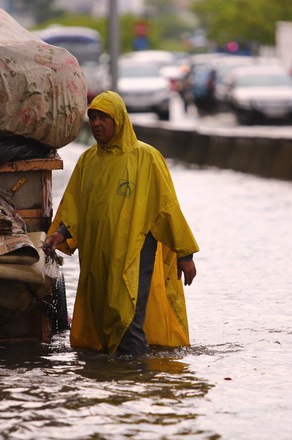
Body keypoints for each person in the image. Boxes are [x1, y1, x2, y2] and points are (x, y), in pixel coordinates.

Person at [43, 91, 199, 355]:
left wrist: (185, 254)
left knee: (126, 315)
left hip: (133, 252)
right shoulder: (88, 160)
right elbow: (75, 206)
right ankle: (111, 379)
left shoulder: (145, 158)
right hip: (96, 254)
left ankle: (134, 377)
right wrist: (60, 234)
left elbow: (166, 208)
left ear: (119, 120)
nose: (95, 124)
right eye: (92, 117)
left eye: (103, 117)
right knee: (103, 311)